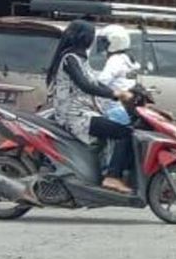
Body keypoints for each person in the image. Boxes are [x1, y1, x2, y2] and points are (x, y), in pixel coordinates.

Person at [46, 20, 135, 194]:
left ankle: (103, 171)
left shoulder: (80, 59)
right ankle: (112, 177)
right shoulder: (70, 58)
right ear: (84, 38)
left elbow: (97, 83)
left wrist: (122, 91)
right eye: (91, 36)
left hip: (85, 112)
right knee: (124, 132)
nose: (93, 40)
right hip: (75, 115)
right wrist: (116, 94)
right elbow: (86, 85)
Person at [97, 25, 141, 126]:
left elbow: (101, 81)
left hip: (111, 107)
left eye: (105, 42)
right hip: (125, 108)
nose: (102, 45)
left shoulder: (115, 60)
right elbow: (129, 81)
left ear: (115, 41)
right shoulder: (129, 60)